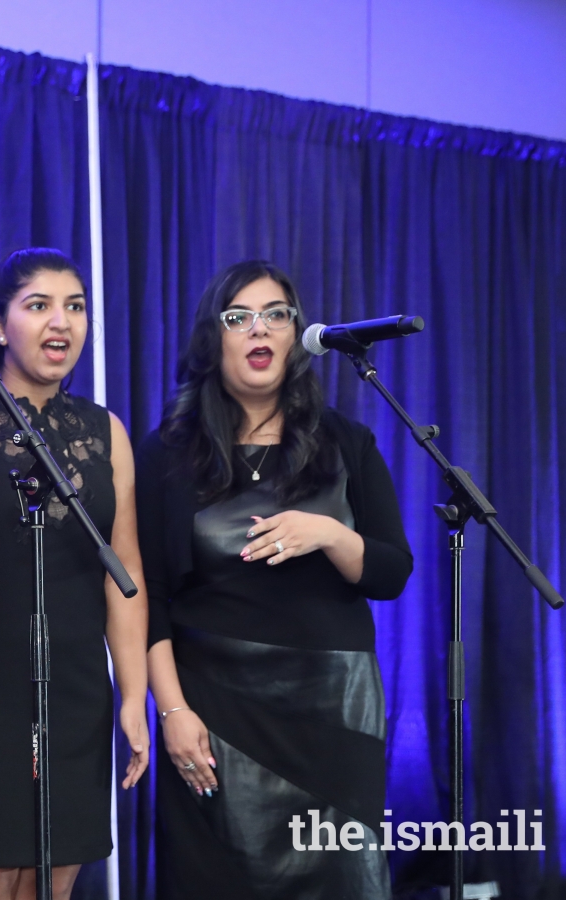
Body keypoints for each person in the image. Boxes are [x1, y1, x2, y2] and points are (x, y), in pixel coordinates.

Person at [137, 260, 413, 899]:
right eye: (239, 318)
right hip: (217, 711)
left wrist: (331, 535)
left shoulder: (346, 440)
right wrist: (171, 710)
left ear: (296, 336)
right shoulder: (168, 454)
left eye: (276, 315)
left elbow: (392, 572)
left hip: (333, 713)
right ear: (215, 339)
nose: (259, 330)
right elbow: (146, 597)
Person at [0, 249, 149, 900]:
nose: (62, 322)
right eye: (39, 306)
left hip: (76, 687)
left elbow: (125, 570)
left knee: (54, 879)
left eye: (76, 306)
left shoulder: (103, 430)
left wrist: (134, 700)